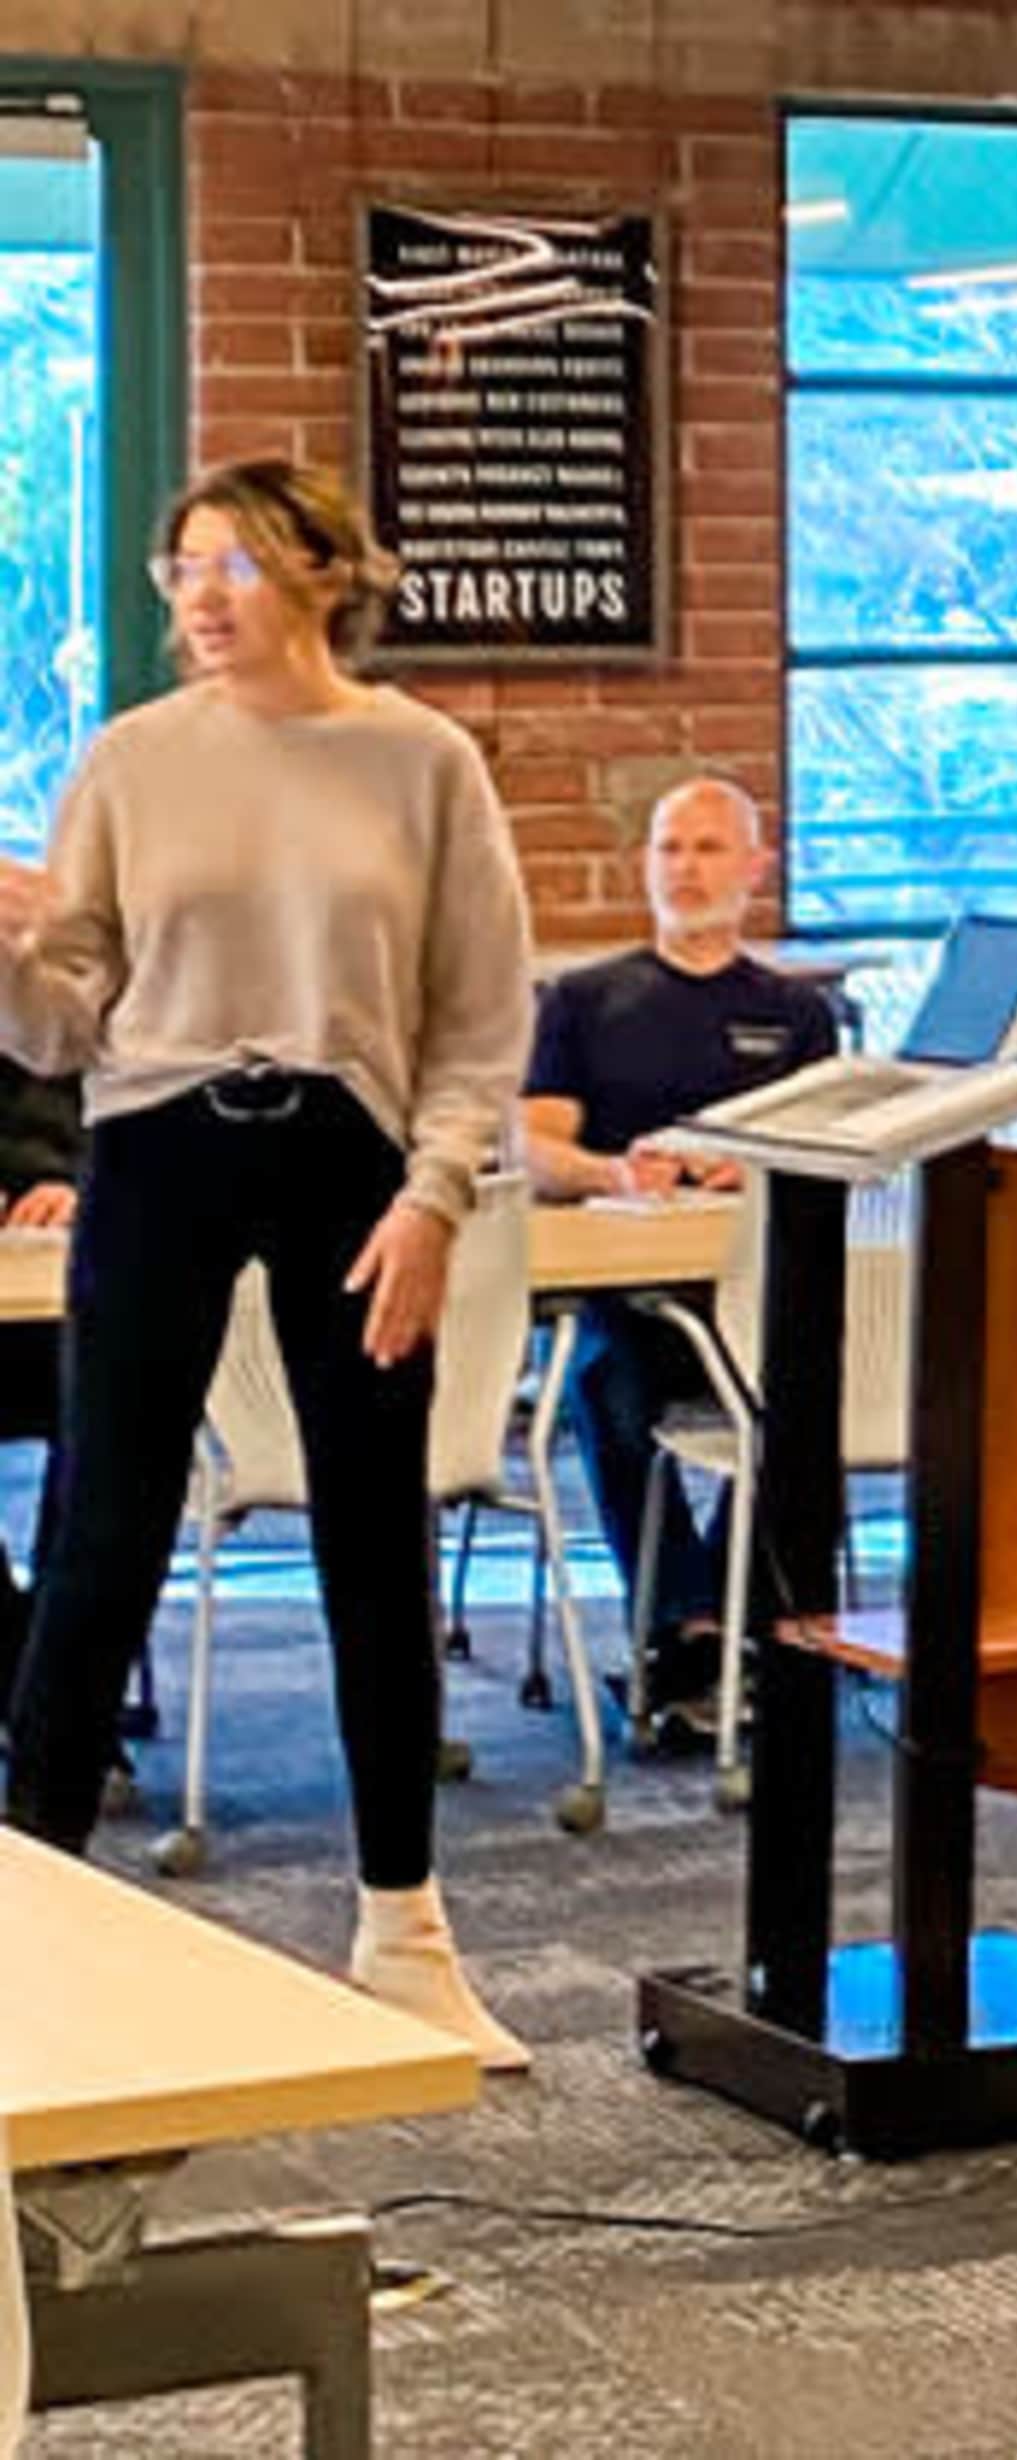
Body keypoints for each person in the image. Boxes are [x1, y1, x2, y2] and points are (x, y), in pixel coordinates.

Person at [0, 456, 535, 2068]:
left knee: (373, 1537)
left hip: (351, 1155)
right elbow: (65, 1019)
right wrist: (9, 957)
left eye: (229, 562)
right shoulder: (129, 763)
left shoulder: (420, 761)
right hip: (158, 1139)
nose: (199, 596)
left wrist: (437, 1198)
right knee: (105, 1537)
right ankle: (28, 1918)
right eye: (179, 570)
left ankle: (407, 1933)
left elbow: (479, 1013)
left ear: (319, 569)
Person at [520, 779, 837, 1722]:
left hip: (751, 1296)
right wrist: (612, 1173)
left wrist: (764, 1170)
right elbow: (532, 1149)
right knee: (606, 1386)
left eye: (707, 849)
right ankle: (688, 1628)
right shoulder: (583, 1000)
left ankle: (752, 1623)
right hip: (627, 1292)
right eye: (669, 849)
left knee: (812, 1392)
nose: (686, 870)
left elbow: (835, 1147)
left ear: (754, 868)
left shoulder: (797, 1014)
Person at [0, 1057, 73, 1695]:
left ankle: (58, 1693)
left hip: (76, 1308)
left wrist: (85, 1184)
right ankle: (28, 1674)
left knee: (111, 1434)